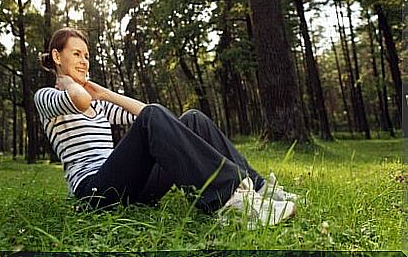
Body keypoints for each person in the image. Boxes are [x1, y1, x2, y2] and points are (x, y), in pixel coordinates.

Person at [34, 28, 298, 229]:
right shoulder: (46, 97)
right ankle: (229, 203)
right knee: (154, 115)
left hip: (132, 188)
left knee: (193, 118)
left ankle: (262, 189)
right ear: (57, 56)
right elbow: (78, 100)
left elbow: (145, 112)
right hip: (94, 192)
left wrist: (105, 93)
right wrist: (66, 78)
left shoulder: (99, 105)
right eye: (76, 54)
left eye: (87, 56)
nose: (84, 61)